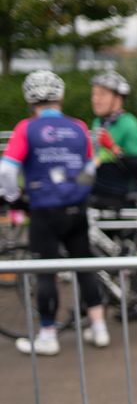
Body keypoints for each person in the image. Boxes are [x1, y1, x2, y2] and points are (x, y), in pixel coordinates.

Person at [1, 70, 109, 355]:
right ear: (60, 96)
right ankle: (99, 328)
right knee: (84, 266)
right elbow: (90, 168)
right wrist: (77, 191)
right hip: (76, 208)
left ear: (29, 98)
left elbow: (6, 171)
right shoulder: (78, 127)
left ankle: (48, 336)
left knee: (45, 273)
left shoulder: (27, 128)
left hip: (44, 208)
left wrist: (14, 198)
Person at [89, 70, 137, 207]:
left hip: (121, 193)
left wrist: (113, 148)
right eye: (94, 94)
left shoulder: (129, 124)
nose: (95, 99)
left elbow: (136, 168)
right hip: (100, 189)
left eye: (102, 94)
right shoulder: (98, 122)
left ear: (118, 98)